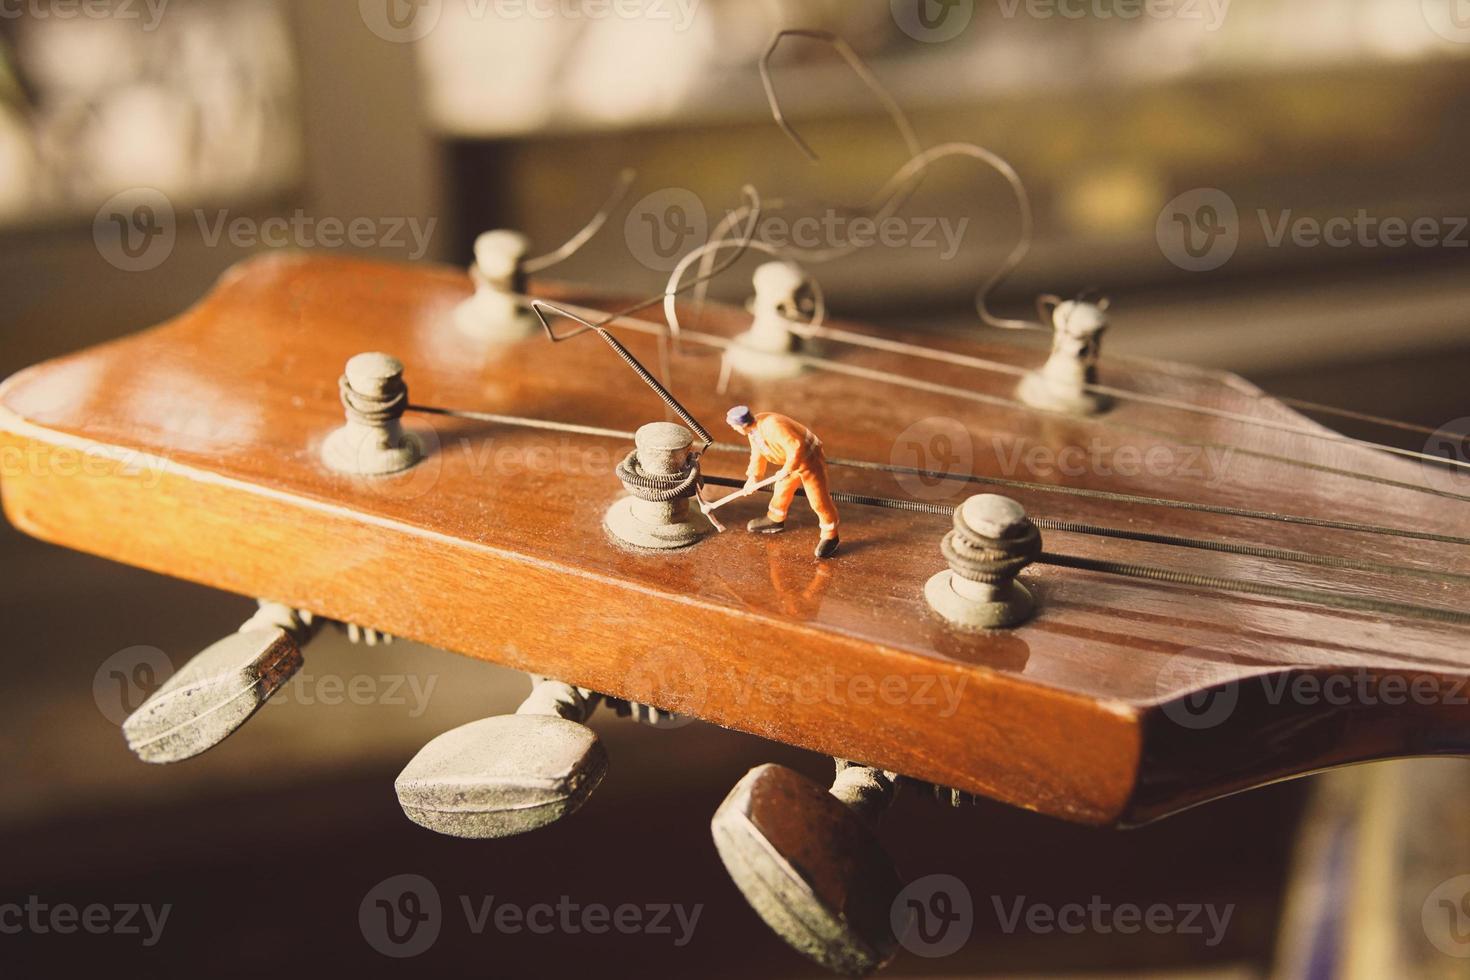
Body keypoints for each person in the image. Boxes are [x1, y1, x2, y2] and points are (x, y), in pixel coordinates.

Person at [726, 406, 840, 559]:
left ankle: (830, 534)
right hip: (791, 463)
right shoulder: (753, 431)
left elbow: (796, 446)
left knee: (818, 500)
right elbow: (757, 453)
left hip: (809, 458)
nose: (733, 429)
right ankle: (775, 519)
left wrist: (787, 469)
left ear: (743, 425)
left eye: (734, 427)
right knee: (781, 489)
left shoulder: (772, 426)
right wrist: (753, 477)